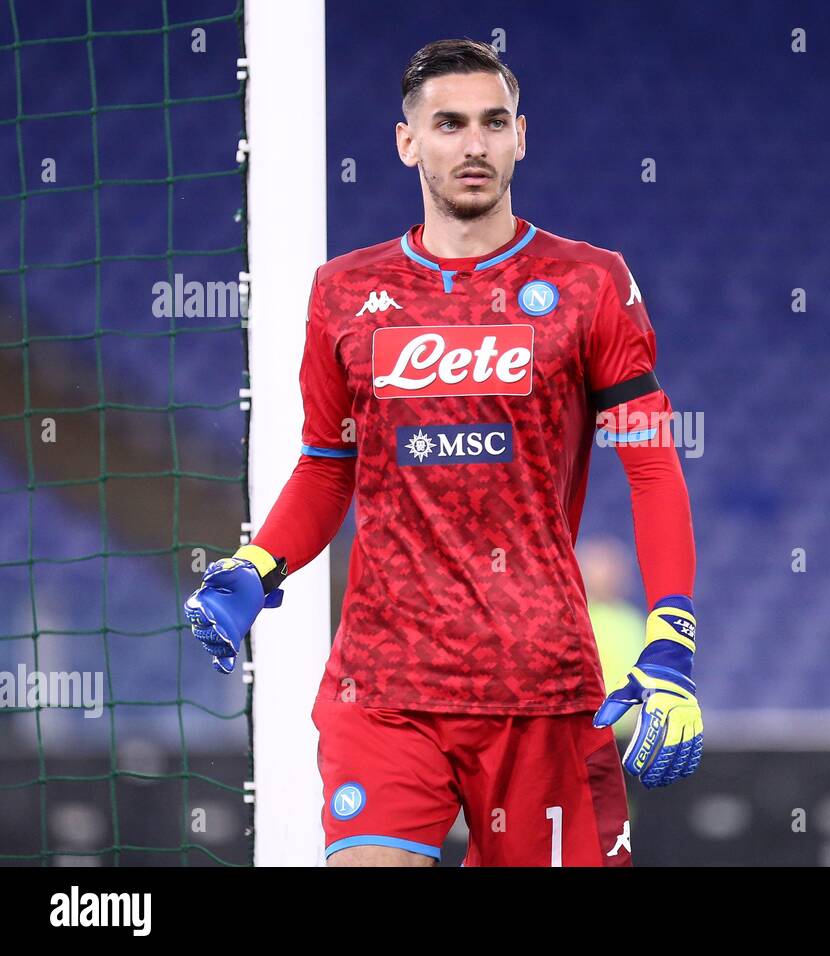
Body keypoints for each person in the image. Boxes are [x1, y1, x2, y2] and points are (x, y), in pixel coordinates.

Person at [183, 38, 700, 867]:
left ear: (521, 136)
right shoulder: (343, 293)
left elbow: (651, 463)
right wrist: (257, 564)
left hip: (543, 686)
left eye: (493, 123)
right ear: (407, 141)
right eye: (449, 123)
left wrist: (671, 634)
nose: (474, 145)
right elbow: (326, 464)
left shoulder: (590, 284)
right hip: (385, 686)